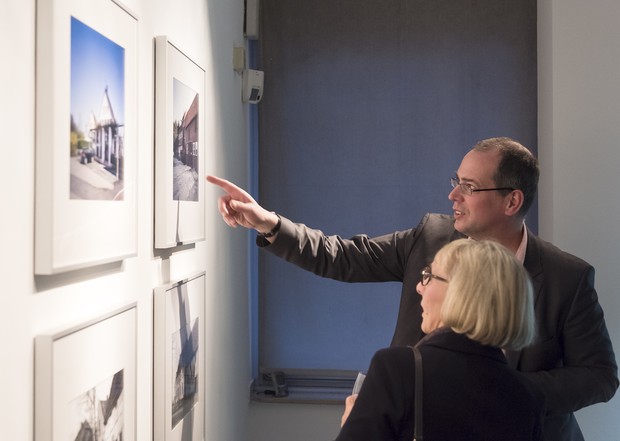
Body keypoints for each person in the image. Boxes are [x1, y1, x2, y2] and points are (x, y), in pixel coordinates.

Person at [207, 137, 618, 441]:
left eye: (469, 187)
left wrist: (509, 394)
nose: (453, 194)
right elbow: (343, 256)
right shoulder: (430, 237)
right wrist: (268, 224)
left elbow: (600, 376)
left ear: (512, 202)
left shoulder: (568, 277)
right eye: (456, 180)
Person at [336, 239, 544, 441]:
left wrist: (351, 425)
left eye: (429, 276)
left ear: (462, 293)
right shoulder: (527, 397)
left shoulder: (398, 369)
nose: (419, 287)